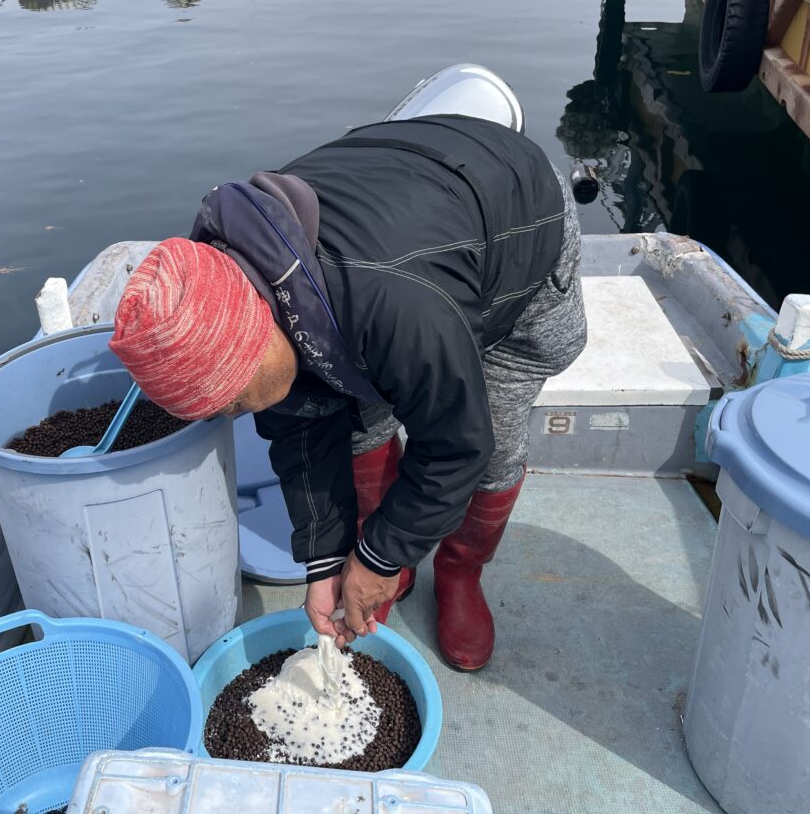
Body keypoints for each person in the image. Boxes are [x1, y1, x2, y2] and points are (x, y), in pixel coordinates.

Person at [108, 97, 586, 670]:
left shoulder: (395, 307)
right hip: (407, 232)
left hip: (514, 229)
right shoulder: (250, 283)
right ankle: (381, 555)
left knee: (493, 445)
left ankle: (460, 572)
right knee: (360, 427)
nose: (235, 414)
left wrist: (381, 557)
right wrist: (326, 561)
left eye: (232, 401)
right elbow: (300, 425)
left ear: (263, 330)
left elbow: (458, 444)